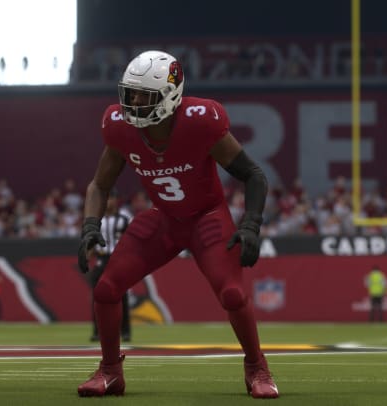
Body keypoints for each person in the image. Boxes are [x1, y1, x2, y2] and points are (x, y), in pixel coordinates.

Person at [76, 50, 278, 399]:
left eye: (143, 96)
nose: (133, 102)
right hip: (164, 218)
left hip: (207, 217)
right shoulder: (120, 127)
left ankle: (257, 366)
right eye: (130, 93)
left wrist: (251, 225)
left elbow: (253, 174)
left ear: (169, 95)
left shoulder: (200, 121)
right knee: (106, 289)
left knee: (232, 294)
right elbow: (99, 184)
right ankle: (110, 371)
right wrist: (90, 225)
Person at [83, 189, 131, 342]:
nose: (108, 201)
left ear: (116, 200)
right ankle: (97, 331)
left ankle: (125, 331)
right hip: (101, 260)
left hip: (117, 260)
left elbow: (130, 241)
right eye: (106, 198)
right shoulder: (97, 220)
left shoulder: (124, 219)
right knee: (97, 297)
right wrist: (87, 256)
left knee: (122, 297)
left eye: (111, 198)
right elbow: (91, 241)